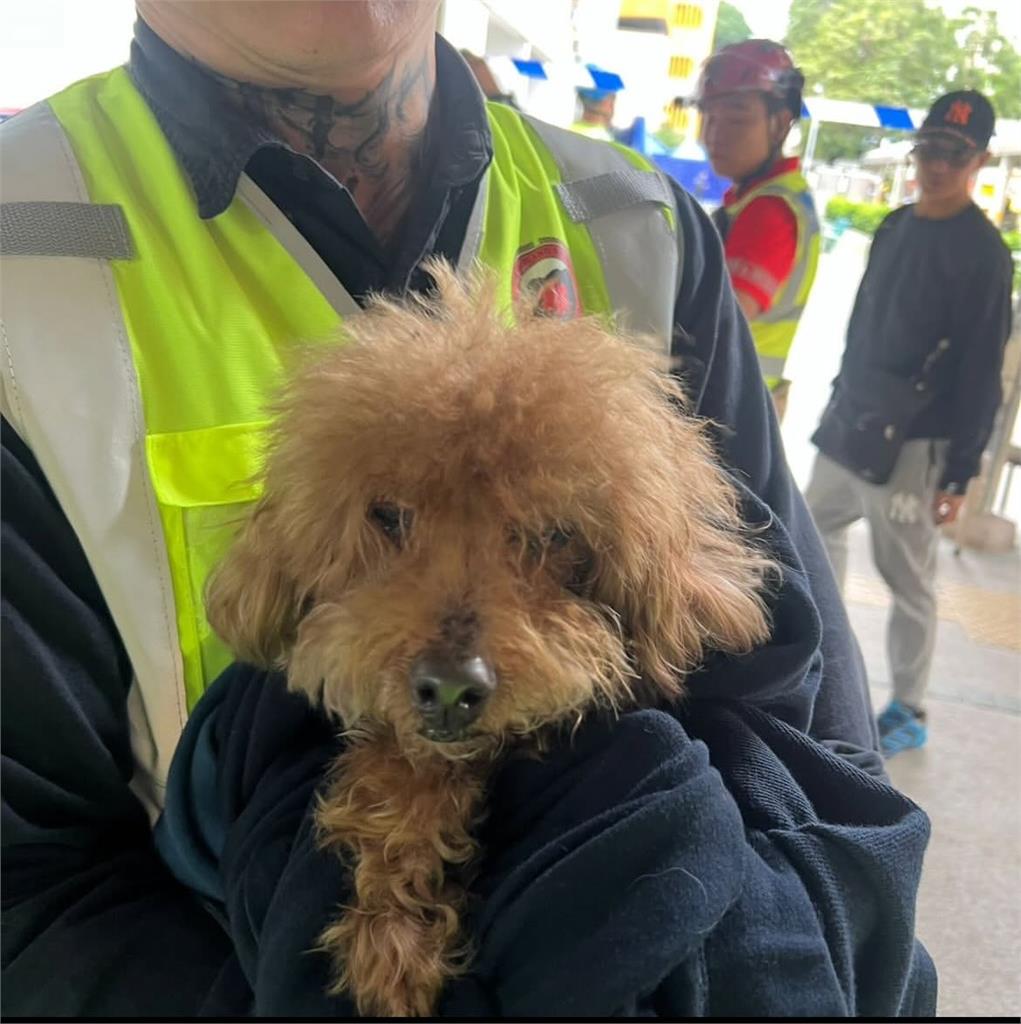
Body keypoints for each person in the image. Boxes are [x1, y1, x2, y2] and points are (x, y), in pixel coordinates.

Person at [1, 1, 934, 1015]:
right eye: (389, 524)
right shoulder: (23, 246)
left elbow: (824, 767)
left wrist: (745, 949)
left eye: (542, 541)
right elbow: (25, 902)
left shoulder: (643, 224)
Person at [806, 90, 1014, 757]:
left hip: (915, 443)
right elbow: (862, 322)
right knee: (814, 536)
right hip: (850, 421)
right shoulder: (895, 225)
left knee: (908, 579)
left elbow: (981, 369)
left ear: (976, 159)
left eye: (952, 155)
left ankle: (908, 705)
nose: (935, 165)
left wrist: (958, 471)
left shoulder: (983, 253)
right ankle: (825, 667)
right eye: (927, 149)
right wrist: (838, 392)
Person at [696, 39, 820, 422]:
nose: (715, 133)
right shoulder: (753, 200)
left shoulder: (769, 211)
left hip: (728, 415)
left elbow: (717, 327)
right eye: (709, 116)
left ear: (780, 123)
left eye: (736, 117)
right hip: (741, 406)